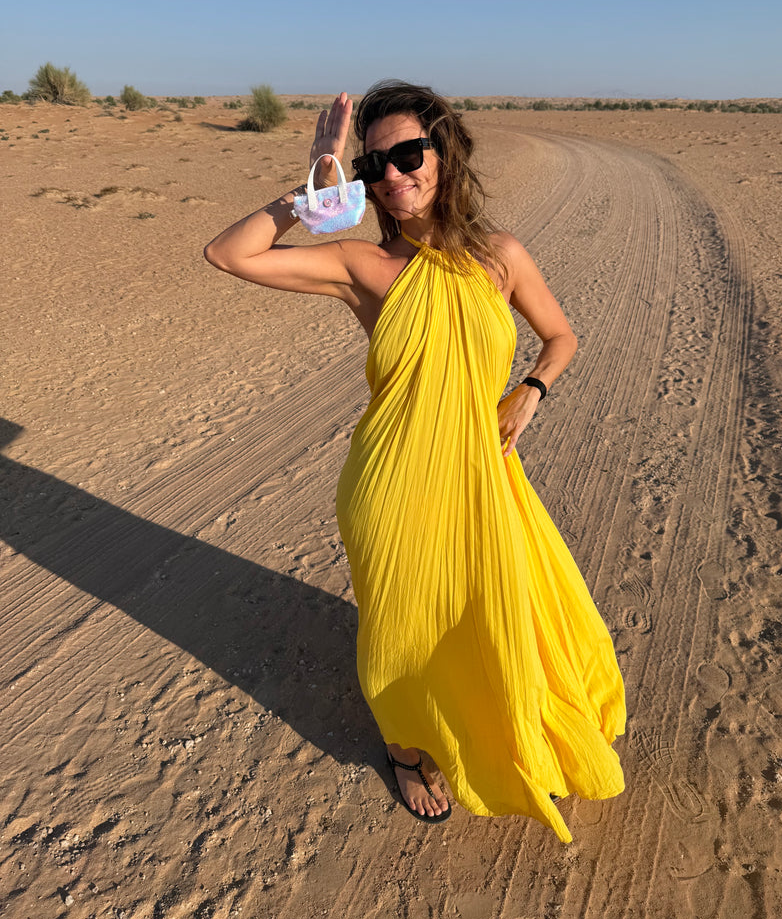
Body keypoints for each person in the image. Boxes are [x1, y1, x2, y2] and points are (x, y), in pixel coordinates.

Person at [204, 81, 626, 842]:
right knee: (399, 626)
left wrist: (531, 388)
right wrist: (315, 185)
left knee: (489, 615)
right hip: (390, 483)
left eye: (408, 154)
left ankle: (505, 733)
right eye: (375, 166)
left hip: (481, 476)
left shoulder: (502, 258)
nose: (393, 175)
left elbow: (562, 338)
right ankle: (405, 749)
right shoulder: (362, 264)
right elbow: (227, 254)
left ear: (445, 152)